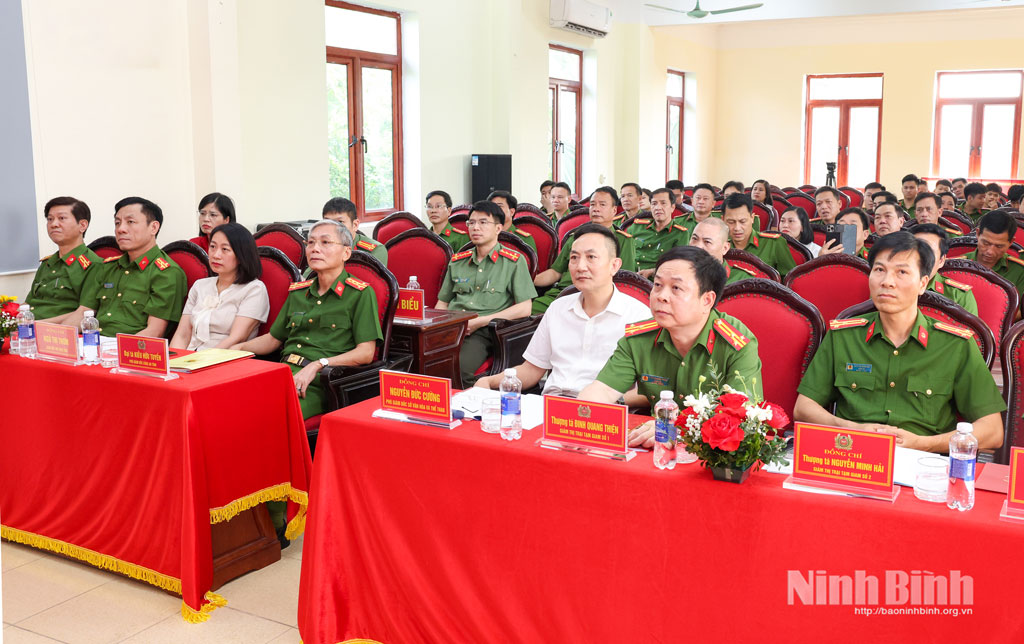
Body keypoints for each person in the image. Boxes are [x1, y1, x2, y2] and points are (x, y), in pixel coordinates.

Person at [794, 231, 1005, 451]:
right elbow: (804, 408)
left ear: (923, 283)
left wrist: (924, 443)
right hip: (854, 455)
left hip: (923, 461)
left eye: (902, 272)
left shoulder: (956, 345)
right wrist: (851, 429)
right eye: (879, 270)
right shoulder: (843, 336)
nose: (887, 282)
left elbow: (993, 430)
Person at [578, 246, 762, 448]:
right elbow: (602, 391)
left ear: (706, 300)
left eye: (676, 288)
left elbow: (741, 418)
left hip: (712, 453)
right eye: (657, 285)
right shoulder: (638, 339)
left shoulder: (735, 343)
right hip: (655, 450)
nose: (661, 296)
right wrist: (583, 415)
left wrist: (677, 430)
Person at [474, 224, 649, 396]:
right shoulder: (558, 308)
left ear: (614, 265)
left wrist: (612, 401)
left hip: (604, 408)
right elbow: (531, 370)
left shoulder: (638, 316)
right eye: (574, 258)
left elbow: (647, 389)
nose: (580, 266)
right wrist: (489, 381)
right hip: (552, 404)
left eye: (591, 257)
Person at [233, 219, 381, 419]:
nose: (315, 249)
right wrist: (237, 349)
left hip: (320, 383)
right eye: (310, 242)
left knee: (264, 414)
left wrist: (319, 364)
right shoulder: (298, 293)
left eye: (325, 242)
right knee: (230, 402)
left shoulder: (360, 294)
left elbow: (366, 353)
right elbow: (273, 339)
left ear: (346, 252)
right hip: (283, 374)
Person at [436, 201, 535, 385]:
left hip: (484, 331)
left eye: (483, 222)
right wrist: (438, 328)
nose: (475, 228)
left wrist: (480, 321)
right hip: (451, 328)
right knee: (420, 360)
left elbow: (524, 308)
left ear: (498, 228)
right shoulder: (457, 261)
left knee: (458, 367)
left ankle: (467, 402)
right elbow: (442, 303)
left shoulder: (513, 261)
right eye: (471, 223)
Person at [67, 197, 186, 337]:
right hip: (94, 342)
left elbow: (154, 332)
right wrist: (56, 337)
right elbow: (83, 313)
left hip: (130, 346)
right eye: (117, 223)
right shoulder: (108, 267)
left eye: (130, 222)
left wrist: (116, 349)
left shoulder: (166, 273)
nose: (121, 229)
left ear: (153, 227)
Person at [532, 186, 636, 315]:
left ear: (614, 210)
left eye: (602, 205)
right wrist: (529, 280)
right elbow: (555, 272)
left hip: (599, 298)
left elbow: (624, 280)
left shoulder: (624, 240)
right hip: (562, 293)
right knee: (528, 312)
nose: (596, 209)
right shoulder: (576, 237)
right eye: (592, 204)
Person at [170, 222, 270, 351]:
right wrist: (174, 360)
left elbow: (236, 338)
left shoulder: (254, 289)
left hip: (222, 358)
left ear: (241, 255)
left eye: (225, 249)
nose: (216, 255)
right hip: (189, 357)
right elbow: (182, 334)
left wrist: (202, 359)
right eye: (212, 247)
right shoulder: (200, 286)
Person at [25, 197, 102, 321]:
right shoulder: (47, 264)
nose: (54, 224)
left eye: (62, 218)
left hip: (55, 329)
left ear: (82, 225)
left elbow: (85, 313)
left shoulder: (94, 265)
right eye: (50, 219)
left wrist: (34, 326)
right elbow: (27, 305)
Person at [911, 223, 978, 316]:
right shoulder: (893, 285)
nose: (922, 258)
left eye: (929, 252)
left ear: (941, 261)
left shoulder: (958, 295)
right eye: (917, 250)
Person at [722, 192, 796, 276]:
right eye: (731, 222)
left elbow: (790, 280)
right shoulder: (719, 247)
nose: (737, 228)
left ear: (752, 218)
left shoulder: (774, 243)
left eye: (742, 221)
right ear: (723, 219)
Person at [628, 187, 690, 277]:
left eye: (663, 203)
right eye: (654, 204)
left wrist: (652, 272)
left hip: (659, 279)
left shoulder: (680, 234)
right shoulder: (637, 227)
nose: (658, 208)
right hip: (630, 277)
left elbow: (678, 265)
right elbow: (624, 253)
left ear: (672, 207)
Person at [964, 210, 1024, 298]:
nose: (990, 251)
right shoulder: (958, 265)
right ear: (978, 234)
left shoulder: (1019, 271)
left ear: (1011, 242)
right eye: (985, 243)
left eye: (999, 246)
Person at [322, 197, 387, 265]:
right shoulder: (319, 247)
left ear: (355, 225)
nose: (332, 227)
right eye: (328, 222)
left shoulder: (374, 251)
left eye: (340, 222)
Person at [689, 216, 753, 284]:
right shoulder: (682, 272)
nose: (698, 246)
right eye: (694, 238)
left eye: (707, 242)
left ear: (725, 248)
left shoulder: (742, 280)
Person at [488, 190, 536, 254]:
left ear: (511, 212)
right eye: (492, 207)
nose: (495, 210)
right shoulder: (483, 235)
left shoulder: (524, 239)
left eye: (499, 206)